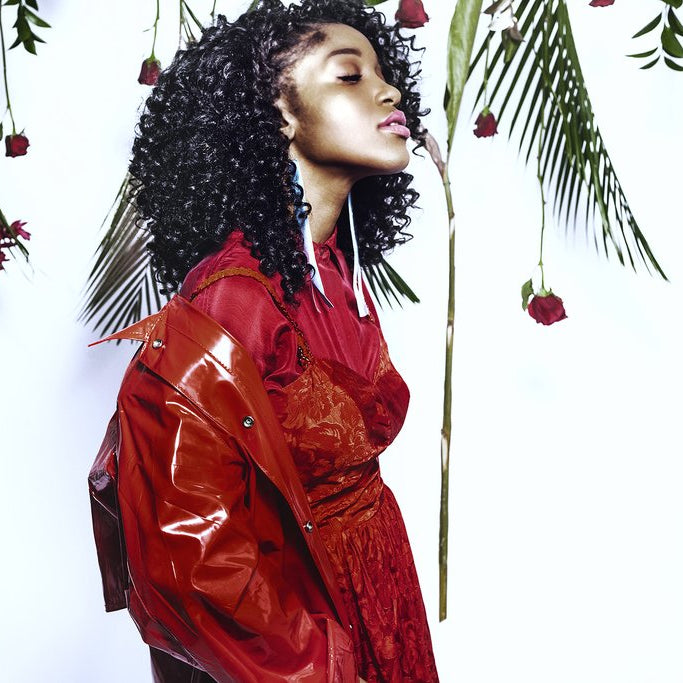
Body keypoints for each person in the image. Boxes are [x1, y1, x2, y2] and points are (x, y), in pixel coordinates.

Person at [99, 0, 439, 680]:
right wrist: (321, 659)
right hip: (306, 642)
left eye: (382, 71)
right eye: (348, 75)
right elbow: (187, 555)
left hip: (381, 594)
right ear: (278, 113)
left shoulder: (336, 272)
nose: (388, 90)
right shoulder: (233, 297)